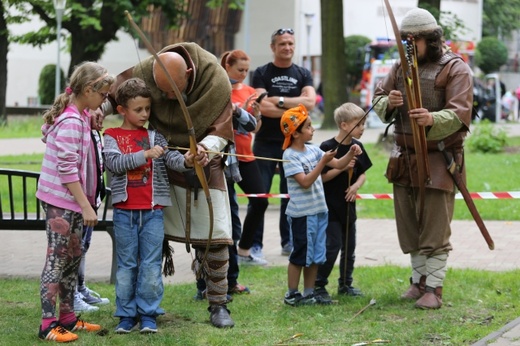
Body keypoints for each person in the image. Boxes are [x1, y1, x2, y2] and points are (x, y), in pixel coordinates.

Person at [103, 42, 236, 328]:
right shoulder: (148, 70)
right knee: (146, 247)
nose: (163, 97)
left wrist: (204, 149)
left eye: (170, 91)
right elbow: (114, 94)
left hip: (201, 161)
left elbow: (223, 128)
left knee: (217, 236)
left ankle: (218, 303)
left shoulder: (215, 79)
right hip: (155, 169)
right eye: (159, 91)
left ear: (189, 73)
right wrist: (95, 110)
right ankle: (137, 310)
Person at [373, 8, 473, 309]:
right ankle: (417, 283)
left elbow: (460, 112)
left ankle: (434, 288)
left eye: (412, 40)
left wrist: (431, 118)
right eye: (404, 40)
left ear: (430, 39)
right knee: (410, 224)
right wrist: (388, 103)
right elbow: (378, 99)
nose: (407, 46)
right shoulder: (399, 67)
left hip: (439, 158)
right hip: (403, 157)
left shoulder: (455, 68)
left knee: (434, 226)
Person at [103, 78, 194, 334]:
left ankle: (149, 314)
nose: (144, 114)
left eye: (147, 109)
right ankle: (125, 315)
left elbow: (172, 159)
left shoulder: (155, 136)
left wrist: (187, 160)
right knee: (127, 265)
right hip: (124, 213)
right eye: (138, 110)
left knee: (151, 265)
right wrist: (144, 155)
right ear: (122, 110)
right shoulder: (111, 136)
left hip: (153, 213)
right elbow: (113, 164)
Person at [36, 61, 114, 342]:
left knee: (72, 260)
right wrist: (85, 204)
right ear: (89, 89)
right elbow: (67, 169)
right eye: (103, 95)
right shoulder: (70, 121)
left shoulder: (79, 116)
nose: (105, 101)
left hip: (75, 204)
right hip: (63, 203)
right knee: (56, 261)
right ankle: (47, 325)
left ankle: (67, 319)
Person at [194, 49, 266, 301]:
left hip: (227, 169)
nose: (244, 75)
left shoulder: (235, 94)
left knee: (230, 225)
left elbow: (249, 126)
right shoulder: (202, 95)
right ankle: (203, 285)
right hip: (204, 171)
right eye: (239, 70)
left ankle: (230, 281)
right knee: (206, 228)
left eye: (247, 70)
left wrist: (239, 111)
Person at [280, 104, 362, 306]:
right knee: (300, 254)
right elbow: (306, 182)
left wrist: (351, 153)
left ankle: (309, 293)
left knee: (316, 255)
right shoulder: (290, 156)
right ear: (296, 133)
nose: (313, 129)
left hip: (319, 211)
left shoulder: (313, 149)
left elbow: (339, 164)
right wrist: (322, 162)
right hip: (302, 214)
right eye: (308, 126)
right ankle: (292, 294)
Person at [252, 27, 316, 257]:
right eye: (282, 44)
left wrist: (277, 100)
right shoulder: (260, 73)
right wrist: (295, 109)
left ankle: (288, 242)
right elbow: (263, 107)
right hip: (265, 143)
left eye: (290, 43)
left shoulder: (303, 73)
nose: (287, 48)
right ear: (273, 47)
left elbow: (311, 103)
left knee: (291, 196)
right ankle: (254, 244)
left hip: (293, 145)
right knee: (260, 196)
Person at [314, 103, 372, 301]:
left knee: (349, 246)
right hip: (330, 206)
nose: (363, 128)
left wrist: (355, 186)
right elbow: (321, 177)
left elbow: (362, 174)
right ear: (344, 125)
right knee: (332, 246)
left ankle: (345, 283)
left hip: (349, 206)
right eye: (359, 124)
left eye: (364, 124)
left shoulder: (359, 147)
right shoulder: (327, 147)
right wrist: (342, 166)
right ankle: (318, 285)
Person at [74, 116, 110, 312]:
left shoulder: (94, 131)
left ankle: (79, 288)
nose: (102, 118)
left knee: (83, 247)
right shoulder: (78, 128)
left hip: (92, 199)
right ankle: (72, 295)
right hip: (80, 202)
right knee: (75, 249)